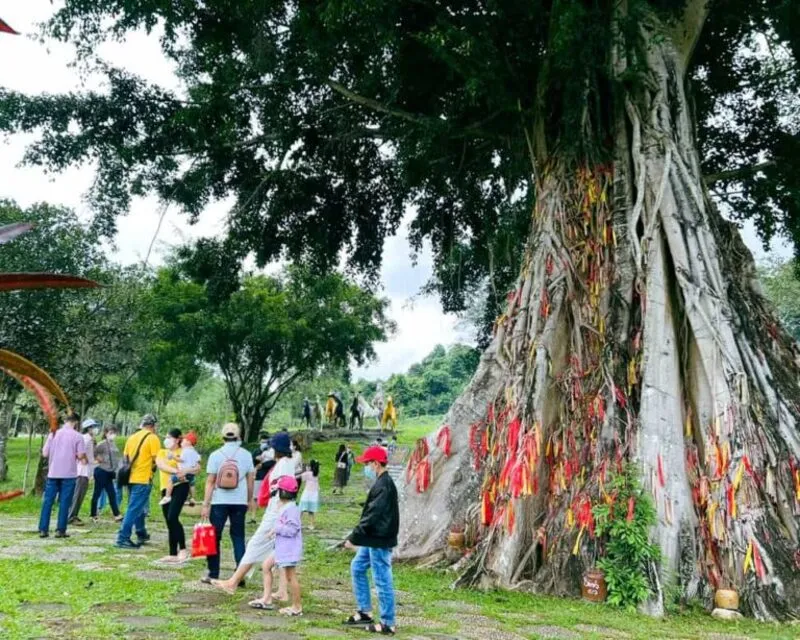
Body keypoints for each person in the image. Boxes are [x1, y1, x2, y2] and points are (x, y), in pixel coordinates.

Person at [211, 431, 295, 594]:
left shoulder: (284, 464)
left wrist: (278, 513)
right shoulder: (284, 462)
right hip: (278, 508)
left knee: (255, 544)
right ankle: (282, 591)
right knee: (278, 550)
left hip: (277, 511)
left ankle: (233, 582)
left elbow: (285, 490)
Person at [343, 445, 399, 635]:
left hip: (379, 539)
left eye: (367, 463)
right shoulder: (381, 482)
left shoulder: (384, 485)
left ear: (376, 464)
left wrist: (353, 537)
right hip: (373, 538)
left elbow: (372, 515)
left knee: (382, 579)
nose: (365, 467)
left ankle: (388, 623)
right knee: (357, 567)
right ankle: (365, 611)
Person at [199, 422, 255, 583]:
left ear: (222, 436)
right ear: (238, 436)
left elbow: (210, 482)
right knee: (238, 536)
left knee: (214, 537)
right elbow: (251, 480)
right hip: (239, 502)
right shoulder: (246, 454)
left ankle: (213, 572)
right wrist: (249, 499)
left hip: (219, 501)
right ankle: (240, 574)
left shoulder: (216, 455)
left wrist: (205, 504)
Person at [249, 475, 303, 616]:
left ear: (283, 492)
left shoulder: (291, 509)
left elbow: (292, 530)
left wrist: (277, 529)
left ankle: (297, 607)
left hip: (288, 548)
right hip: (281, 546)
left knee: (291, 577)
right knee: (266, 566)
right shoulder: (286, 507)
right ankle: (266, 599)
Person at [38, 412, 87, 538]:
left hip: (53, 472)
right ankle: (60, 530)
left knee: (48, 501)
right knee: (65, 502)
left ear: (65, 421)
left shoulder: (53, 434)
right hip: (69, 474)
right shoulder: (78, 436)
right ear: (76, 422)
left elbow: (44, 453)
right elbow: (81, 455)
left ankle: (43, 529)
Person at [115, 414, 161, 549]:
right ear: (153, 426)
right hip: (143, 478)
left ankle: (141, 532)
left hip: (130, 478)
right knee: (134, 508)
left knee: (137, 506)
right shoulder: (153, 438)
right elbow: (156, 459)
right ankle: (123, 538)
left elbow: (126, 457)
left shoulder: (132, 438)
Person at [90, 425, 123, 523]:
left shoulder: (113, 444)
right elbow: (93, 452)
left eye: (114, 433)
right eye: (110, 433)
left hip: (110, 472)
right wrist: (98, 459)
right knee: (97, 493)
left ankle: (117, 514)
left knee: (112, 493)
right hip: (101, 471)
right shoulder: (102, 444)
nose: (113, 435)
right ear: (106, 433)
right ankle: (93, 514)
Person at [159, 431, 200, 506]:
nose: (182, 441)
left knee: (170, 480)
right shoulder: (194, 452)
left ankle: (167, 497)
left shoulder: (184, 451)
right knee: (192, 485)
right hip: (190, 475)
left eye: (169, 437)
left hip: (181, 478)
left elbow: (182, 460)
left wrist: (173, 457)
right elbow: (197, 462)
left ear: (188, 442)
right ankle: (192, 498)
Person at [69, 419, 98, 524]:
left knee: (80, 495)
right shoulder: (85, 439)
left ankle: (74, 515)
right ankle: (71, 516)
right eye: (93, 427)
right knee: (78, 495)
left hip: (87, 471)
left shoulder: (90, 439)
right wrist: (84, 458)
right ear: (88, 428)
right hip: (82, 471)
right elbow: (80, 452)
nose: (95, 429)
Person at [298, 460, 320, 530]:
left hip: (307, 493)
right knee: (311, 511)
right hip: (314, 494)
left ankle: (298, 523)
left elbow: (301, 478)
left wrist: (304, 469)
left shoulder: (307, 473)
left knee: (301, 509)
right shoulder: (316, 474)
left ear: (310, 466)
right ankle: (312, 525)